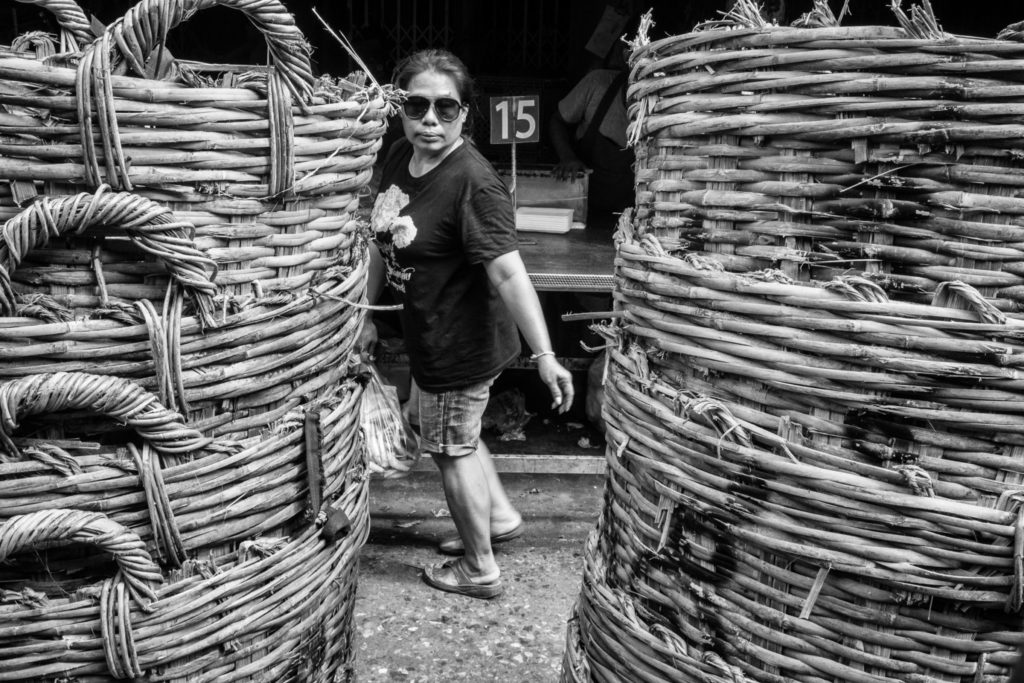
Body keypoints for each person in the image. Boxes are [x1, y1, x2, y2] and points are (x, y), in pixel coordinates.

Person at [363, 49, 575, 600]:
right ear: (397, 107)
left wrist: (547, 355)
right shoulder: (398, 158)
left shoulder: (473, 182)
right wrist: (365, 313)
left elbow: (508, 274)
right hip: (430, 333)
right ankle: (499, 519)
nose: (430, 119)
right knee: (459, 435)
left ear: (464, 115)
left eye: (446, 108)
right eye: (417, 105)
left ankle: (480, 568)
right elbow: (382, 245)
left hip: (462, 343)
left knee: (450, 448)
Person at [548, 34, 635, 233]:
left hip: (629, 219)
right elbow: (557, 121)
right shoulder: (597, 84)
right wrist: (567, 157)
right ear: (627, 61)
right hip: (581, 213)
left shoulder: (662, 107)